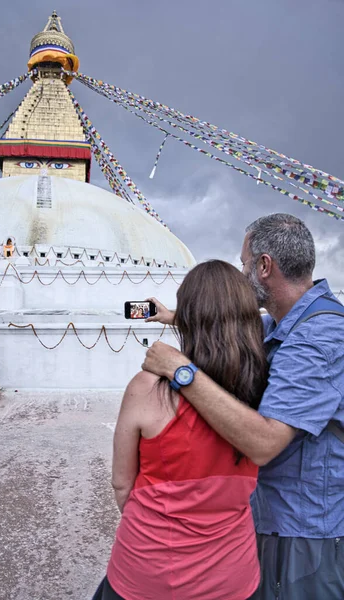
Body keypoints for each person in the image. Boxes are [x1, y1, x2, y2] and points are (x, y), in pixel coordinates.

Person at [143, 213, 344, 599]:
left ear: (265, 266)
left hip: (304, 532)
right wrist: (179, 316)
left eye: (244, 263)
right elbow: (240, 323)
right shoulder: (287, 321)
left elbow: (264, 444)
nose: (241, 272)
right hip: (276, 518)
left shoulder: (318, 338)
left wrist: (182, 371)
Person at [94, 260, 269, 600]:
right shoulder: (265, 390)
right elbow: (242, 324)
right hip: (231, 577)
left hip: (146, 572)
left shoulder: (146, 388)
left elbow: (122, 484)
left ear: (187, 317)